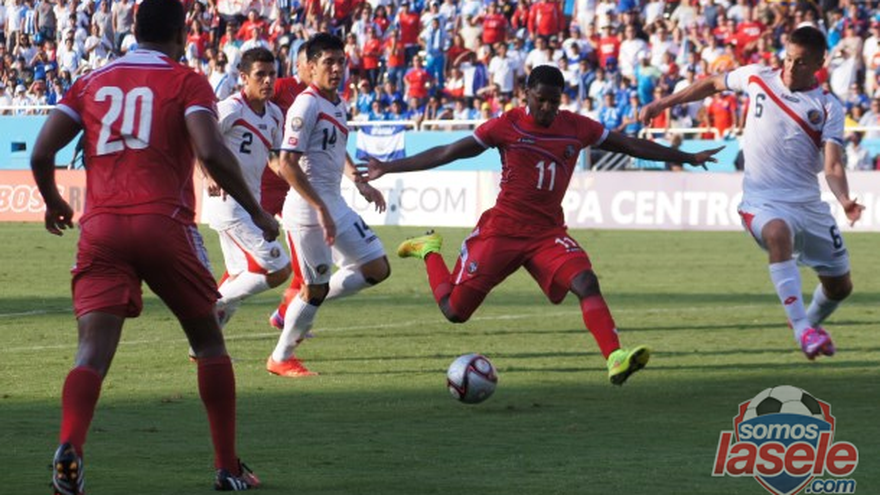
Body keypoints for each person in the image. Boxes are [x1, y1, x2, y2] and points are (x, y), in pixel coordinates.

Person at [29, 0, 277, 491]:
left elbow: (41, 152)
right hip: (164, 224)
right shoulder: (186, 80)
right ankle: (227, 467)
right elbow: (210, 150)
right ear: (181, 35)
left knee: (91, 353)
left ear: (135, 31)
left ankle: (70, 446)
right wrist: (256, 211)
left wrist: (54, 201)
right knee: (208, 342)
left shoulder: (91, 81)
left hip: (101, 229)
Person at [358, 65, 721, 385]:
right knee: (454, 311)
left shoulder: (576, 127)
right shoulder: (507, 125)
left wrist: (687, 156)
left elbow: (629, 145)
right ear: (526, 94)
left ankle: (614, 356)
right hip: (502, 231)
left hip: (547, 233)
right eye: (541, 100)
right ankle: (429, 250)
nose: (547, 107)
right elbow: (449, 152)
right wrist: (389, 166)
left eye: (554, 101)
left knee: (586, 282)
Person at [640, 26, 865, 360]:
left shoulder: (828, 106)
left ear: (820, 63)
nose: (791, 67)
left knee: (840, 287)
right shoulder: (758, 76)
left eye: (801, 62)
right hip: (762, 201)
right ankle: (802, 329)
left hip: (808, 205)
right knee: (777, 233)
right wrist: (662, 103)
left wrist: (844, 199)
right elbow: (712, 83)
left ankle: (808, 324)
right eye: (788, 58)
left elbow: (832, 164)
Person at [267, 33, 391, 377]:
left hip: (334, 203)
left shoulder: (337, 103)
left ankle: (297, 303)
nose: (336, 69)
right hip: (308, 210)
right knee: (316, 289)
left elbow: (336, 148)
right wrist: (320, 208)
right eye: (328, 63)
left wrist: (360, 182)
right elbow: (287, 163)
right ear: (310, 67)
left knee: (376, 268)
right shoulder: (305, 105)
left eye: (341, 62)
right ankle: (281, 357)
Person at [202, 46, 290, 331]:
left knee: (240, 275)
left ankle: (204, 343)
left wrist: (296, 180)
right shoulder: (231, 108)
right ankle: (208, 306)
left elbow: (274, 159)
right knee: (279, 268)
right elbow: (199, 140)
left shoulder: (275, 115)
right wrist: (208, 174)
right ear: (243, 77)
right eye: (260, 75)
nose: (268, 80)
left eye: (272, 74)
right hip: (227, 203)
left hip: (251, 203)